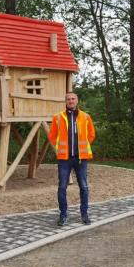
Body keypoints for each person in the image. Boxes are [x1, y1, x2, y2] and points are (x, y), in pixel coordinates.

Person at [48, 91, 96, 226]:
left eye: (73, 98)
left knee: (84, 187)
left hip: (81, 158)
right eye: (68, 99)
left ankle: (84, 214)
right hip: (64, 159)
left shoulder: (86, 117)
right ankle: (63, 214)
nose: (71, 101)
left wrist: (83, 147)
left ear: (77, 100)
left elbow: (91, 135)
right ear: (65, 101)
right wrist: (59, 148)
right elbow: (52, 136)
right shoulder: (58, 117)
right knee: (62, 187)